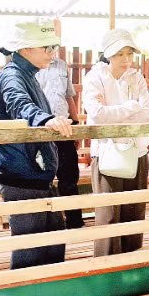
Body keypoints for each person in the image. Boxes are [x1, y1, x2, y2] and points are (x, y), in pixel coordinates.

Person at [0, 18, 73, 270]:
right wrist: (45, 118)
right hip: (21, 175)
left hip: (35, 172)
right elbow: (19, 104)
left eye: (53, 47)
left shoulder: (29, 74)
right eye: (46, 47)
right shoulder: (12, 76)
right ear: (24, 49)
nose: (52, 53)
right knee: (30, 247)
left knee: (52, 240)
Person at [82, 29, 149, 256]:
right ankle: (106, 273)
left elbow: (148, 114)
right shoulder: (95, 77)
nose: (126, 59)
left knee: (135, 212)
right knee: (108, 216)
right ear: (108, 55)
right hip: (106, 153)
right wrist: (131, 107)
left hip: (138, 151)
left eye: (129, 53)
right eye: (119, 54)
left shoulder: (137, 77)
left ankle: (132, 270)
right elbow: (97, 114)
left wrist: (113, 112)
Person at [35, 43, 85, 229]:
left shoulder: (62, 65)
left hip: (65, 128)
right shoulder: (32, 67)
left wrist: (76, 124)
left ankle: (75, 223)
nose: (51, 50)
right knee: (42, 180)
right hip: (41, 130)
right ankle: (47, 225)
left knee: (69, 177)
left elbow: (69, 96)